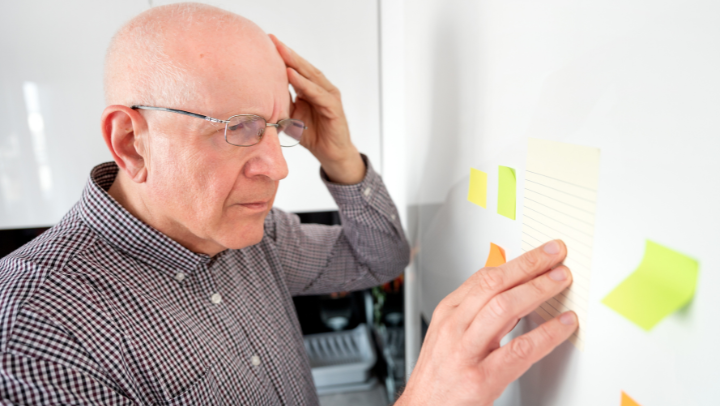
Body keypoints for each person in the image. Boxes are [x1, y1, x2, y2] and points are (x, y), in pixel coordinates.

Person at [0, 3, 577, 405]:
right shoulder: (34, 332)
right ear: (132, 142)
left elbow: (379, 258)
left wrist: (341, 155)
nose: (277, 166)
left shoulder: (255, 237)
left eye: (279, 127)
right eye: (241, 128)